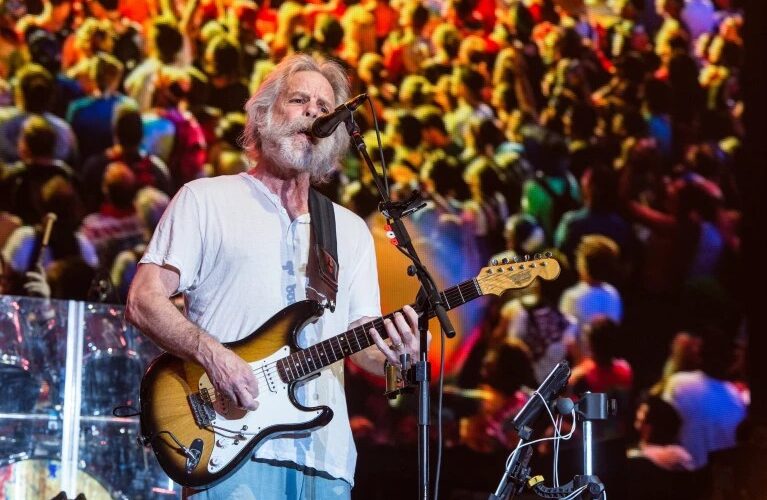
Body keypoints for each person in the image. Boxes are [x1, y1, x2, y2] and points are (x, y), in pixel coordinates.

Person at [125, 53, 425, 499]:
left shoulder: (349, 230)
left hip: (326, 461)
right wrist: (214, 356)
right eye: (299, 100)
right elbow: (143, 299)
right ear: (263, 115)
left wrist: (398, 355)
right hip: (228, 445)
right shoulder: (206, 200)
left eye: (324, 108)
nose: (313, 114)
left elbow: (361, 345)